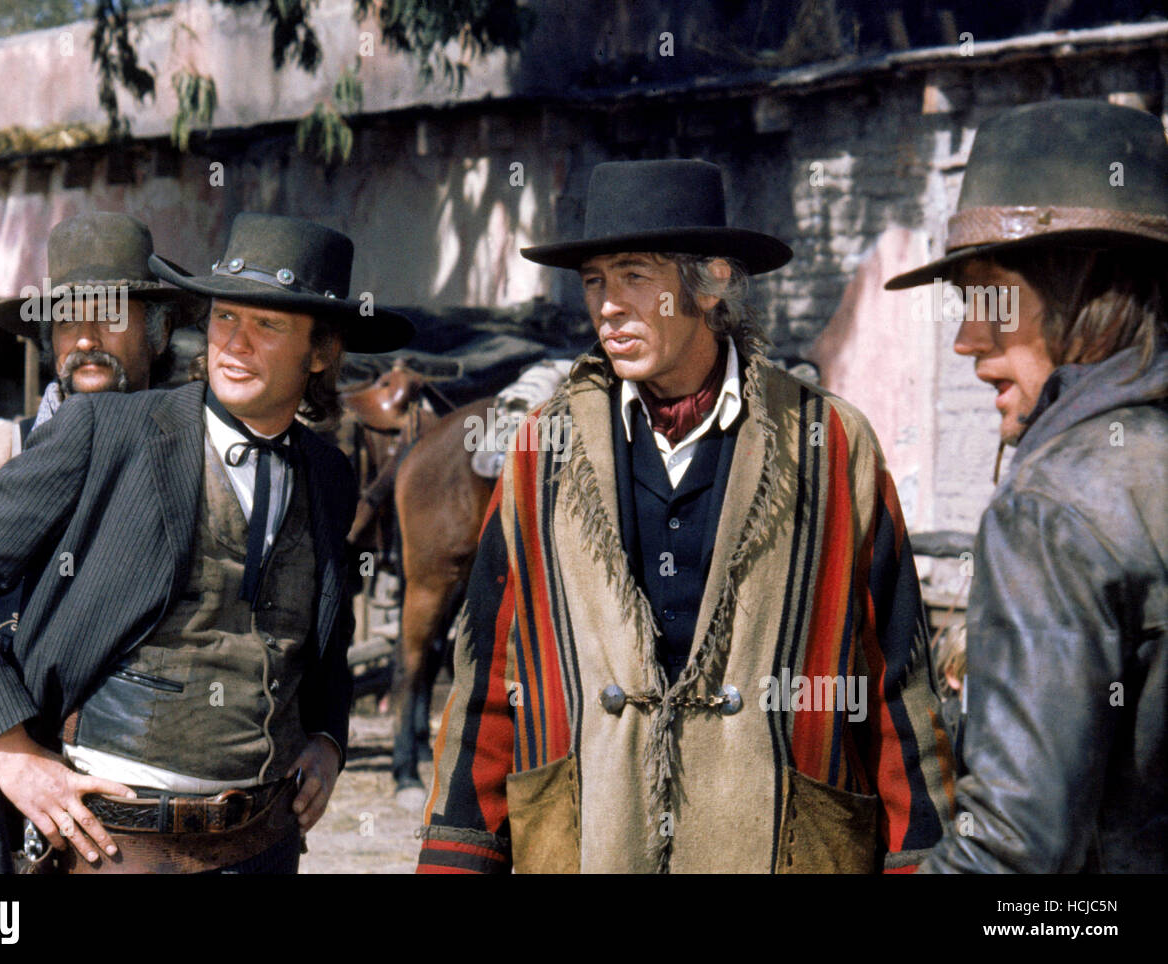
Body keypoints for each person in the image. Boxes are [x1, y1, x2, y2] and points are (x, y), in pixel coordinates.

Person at [418, 159, 953, 873]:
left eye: (634, 275)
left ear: (712, 282)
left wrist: (922, 861)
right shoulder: (542, 453)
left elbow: (896, 686)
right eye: (594, 281)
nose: (607, 305)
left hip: (785, 850)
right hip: (588, 847)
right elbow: (487, 681)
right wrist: (454, 861)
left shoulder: (828, 446)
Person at [0, 213, 414, 873]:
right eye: (226, 318)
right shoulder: (108, 431)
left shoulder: (328, 475)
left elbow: (327, 629)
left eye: (267, 326)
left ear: (321, 352)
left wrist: (328, 736)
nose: (234, 344)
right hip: (115, 845)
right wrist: (9, 748)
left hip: (262, 844)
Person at [886, 99, 1167, 873]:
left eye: (990, 299)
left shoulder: (1052, 508)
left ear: (1084, 289)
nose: (967, 341)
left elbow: (1015, 857)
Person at [0, 211, 200, 573]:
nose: (86, 339)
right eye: (67, 320)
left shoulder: (196, 460)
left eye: (110, 316)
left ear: (160, 332)